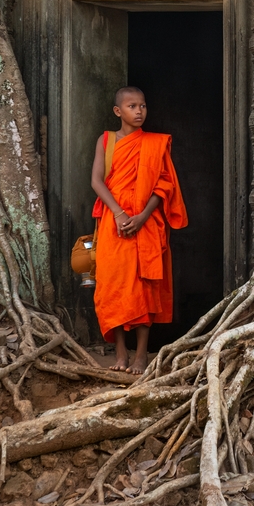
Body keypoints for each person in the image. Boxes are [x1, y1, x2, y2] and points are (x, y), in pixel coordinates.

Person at [90, 86, 188, 374]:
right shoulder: (106, 141)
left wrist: (144, 216)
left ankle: (141, 355)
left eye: (143, 106)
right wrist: (120, 214)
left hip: (146, 224)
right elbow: (97, 181)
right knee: (114, 286)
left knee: (144, 288)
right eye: (132, 106)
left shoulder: (155, 143)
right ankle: (120, 352)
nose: (139, 111)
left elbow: (164, 184)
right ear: (118, 111)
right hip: (113, 223)